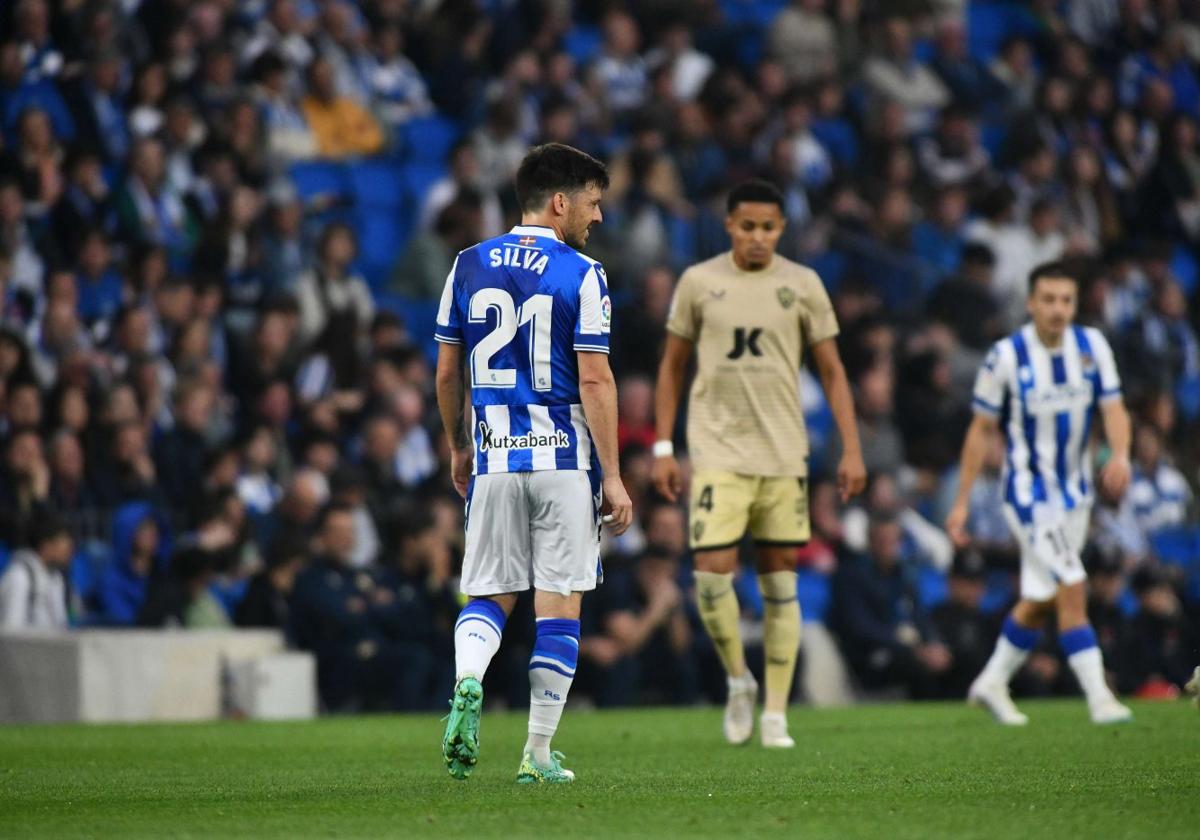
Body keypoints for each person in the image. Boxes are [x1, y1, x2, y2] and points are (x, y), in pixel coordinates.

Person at [434, 143, 632, 784]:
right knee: (559, 605)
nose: (596, 218)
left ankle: (468, 680)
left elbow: (446, 369)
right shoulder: (583, 273)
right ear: (559, 201)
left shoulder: (467, 264)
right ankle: (537, 755)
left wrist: (459, 445)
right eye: (592, 203)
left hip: (493, 460)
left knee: (489, 594)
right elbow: (597, 383)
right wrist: (615, 476)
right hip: (563, 462)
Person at [652, 179, 866, 748]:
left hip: (781, 456)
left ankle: (775, 712)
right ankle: (737, 679)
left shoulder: (802, 284)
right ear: (729, 226)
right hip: (717, 453)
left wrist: (851, 447)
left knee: (779, 586)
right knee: (710, 577)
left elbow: (834, 371)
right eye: (747, 226)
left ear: (781, 229)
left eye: (768, 227)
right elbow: (671, 367)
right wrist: (663, 447)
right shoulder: (699, 282)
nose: (757, 237)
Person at [946, 261, 1134, 725]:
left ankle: (991, 682)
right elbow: (981, 429)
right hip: (1028, 493)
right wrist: (963, 501)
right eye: (1047, 299)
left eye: (1065, 300)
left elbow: (1114, 409)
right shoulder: (1006, 356)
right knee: (1072, 581)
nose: (1057, 309)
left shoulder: (1092, 346)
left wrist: (1121, 455)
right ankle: (1100, 697)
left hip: (1076, 494)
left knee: (1042, 596)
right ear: (1030, 303)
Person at [0, 513, 74, 629]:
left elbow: (61, 627)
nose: (69, 547)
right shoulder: (19, 577)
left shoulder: (55, 577)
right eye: (63, 540)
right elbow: (10, 635)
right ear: (46, 545)